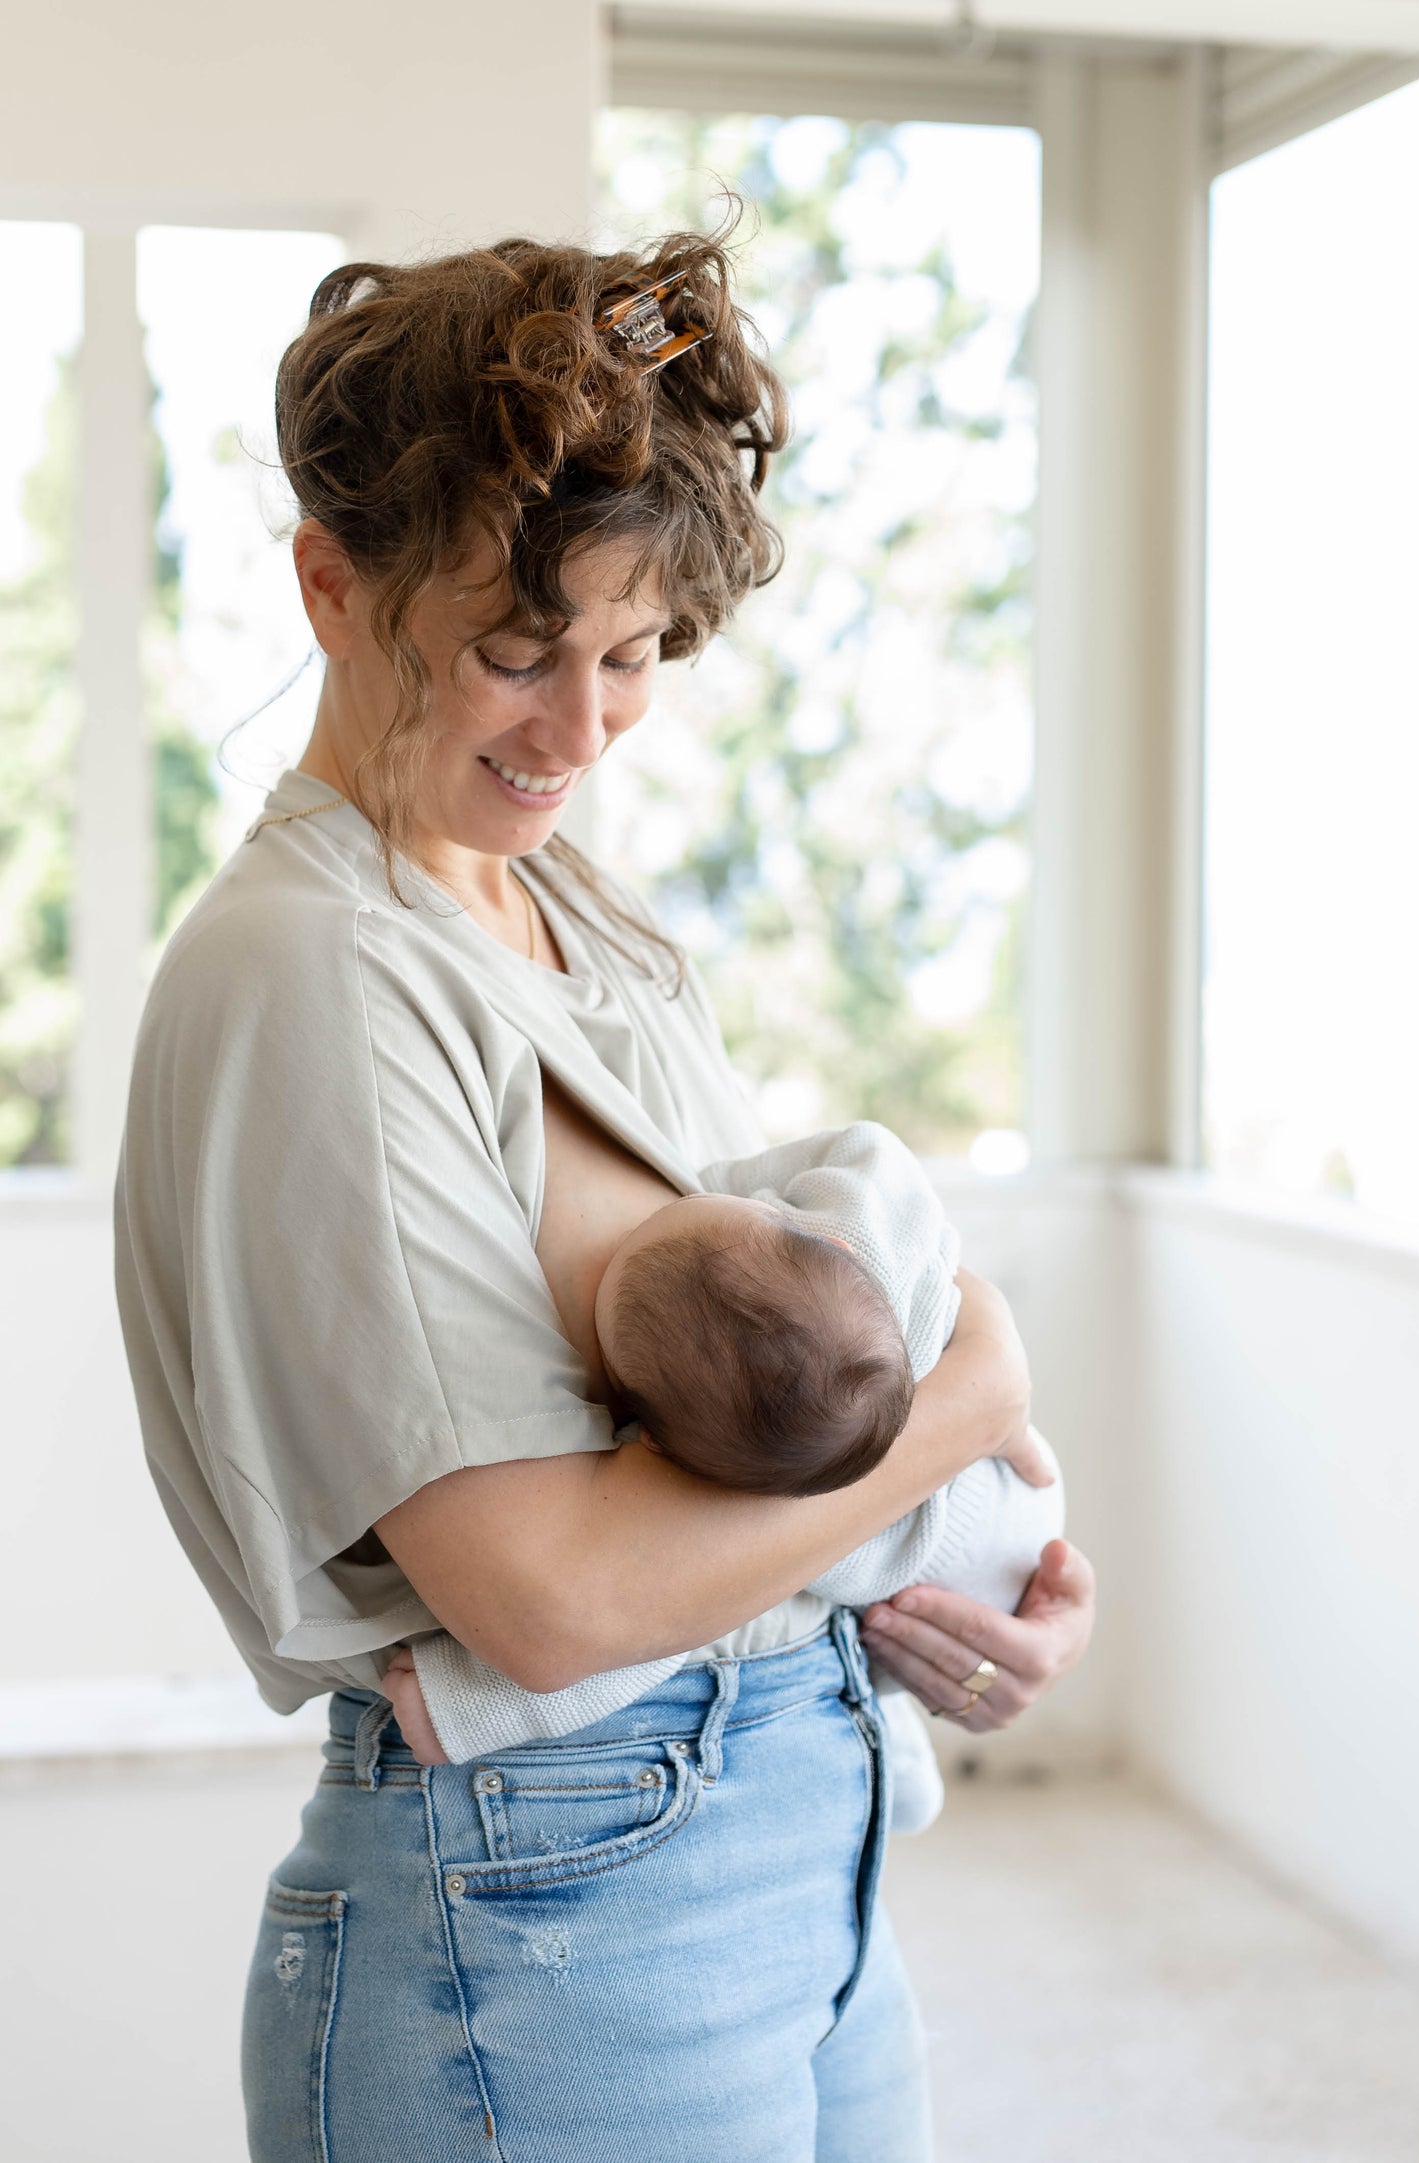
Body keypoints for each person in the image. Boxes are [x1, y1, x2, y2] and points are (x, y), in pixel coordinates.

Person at [113, 232, 1096, 2163]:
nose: (577, 732)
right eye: (510, 652)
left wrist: (948, 1585)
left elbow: (767, 1419)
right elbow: (549, 1598)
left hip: (802, 1822)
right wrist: (968, 1405)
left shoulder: (584, 918)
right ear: (332, 585)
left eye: (630, 656)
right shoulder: (315, 968)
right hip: (549, 1907)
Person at [378, 1116, 1066, 1844]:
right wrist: (745, 1199)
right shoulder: (879, 1265)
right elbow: (873, 1151)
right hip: (1020, 1512)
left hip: (974, 1542)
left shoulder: (749, 1490)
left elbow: (652, 1633)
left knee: (772, 1597)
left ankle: (896, 1748)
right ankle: (890, 1741)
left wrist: (466, 1705)